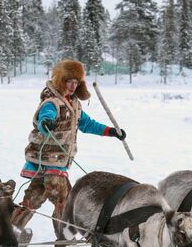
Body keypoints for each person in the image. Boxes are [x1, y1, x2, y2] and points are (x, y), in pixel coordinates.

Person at [12, 59, 126, 236]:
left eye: (76, 82)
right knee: (66, 201)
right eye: (69, 81)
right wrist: (46, 122)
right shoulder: (51, 101)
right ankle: (65, 238)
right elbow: (45, 116)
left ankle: (9, 231)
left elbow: (87, 124)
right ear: (61, 80)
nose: (73, 86)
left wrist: (111, 131)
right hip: (51, 161)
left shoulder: (73, 104)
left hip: (50, 163)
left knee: (32, 200)